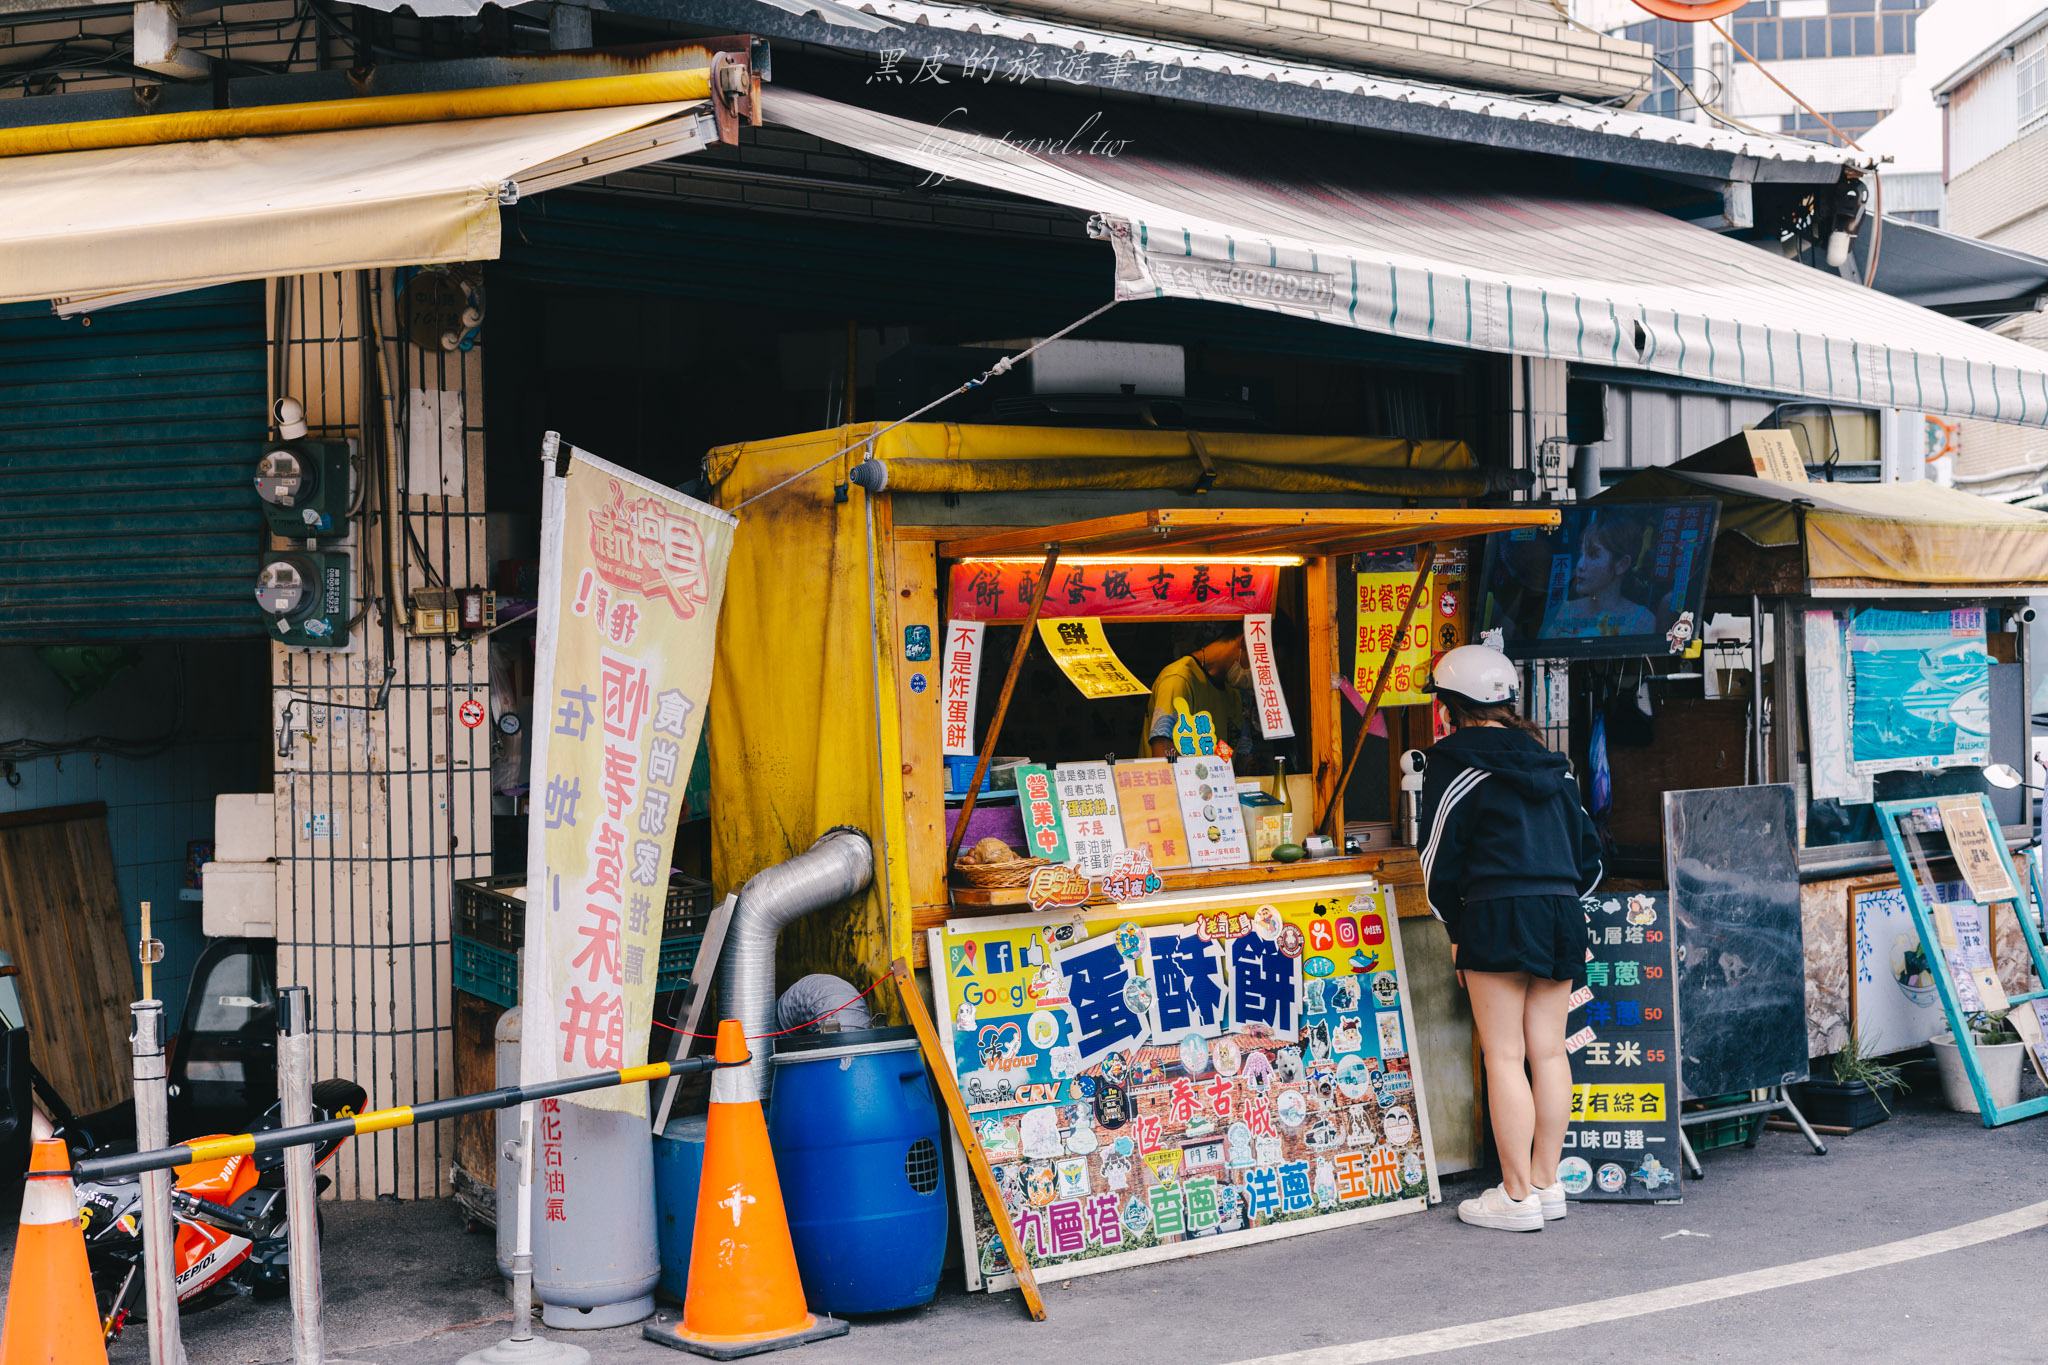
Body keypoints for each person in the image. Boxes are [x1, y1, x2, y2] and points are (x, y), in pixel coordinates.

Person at [1417, 643, 1603, 1233]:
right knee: (1549, 1051)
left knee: (1504, 1055)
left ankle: (1516, 1195)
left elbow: (1437, 860)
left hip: (1495, 911)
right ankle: (1548, 1185)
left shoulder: (1451, 762)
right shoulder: (1553, 762)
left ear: (1449, 706)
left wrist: (1452, 925)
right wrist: (1565, 900)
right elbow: (1592, 857)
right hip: (1562, 910)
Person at [1540, 513, 1655, 640]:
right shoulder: (1566, 610)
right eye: (1581, 553)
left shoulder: (1642, 620)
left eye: (1593, 554)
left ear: (1622, 564)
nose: (1580, 565)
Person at [1143, 626, 1249, 758]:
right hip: (1177, 778)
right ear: (1245, 642)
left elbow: (1225, 755)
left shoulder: (1233, 694)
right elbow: (1163, 754)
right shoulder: (1178, 679)